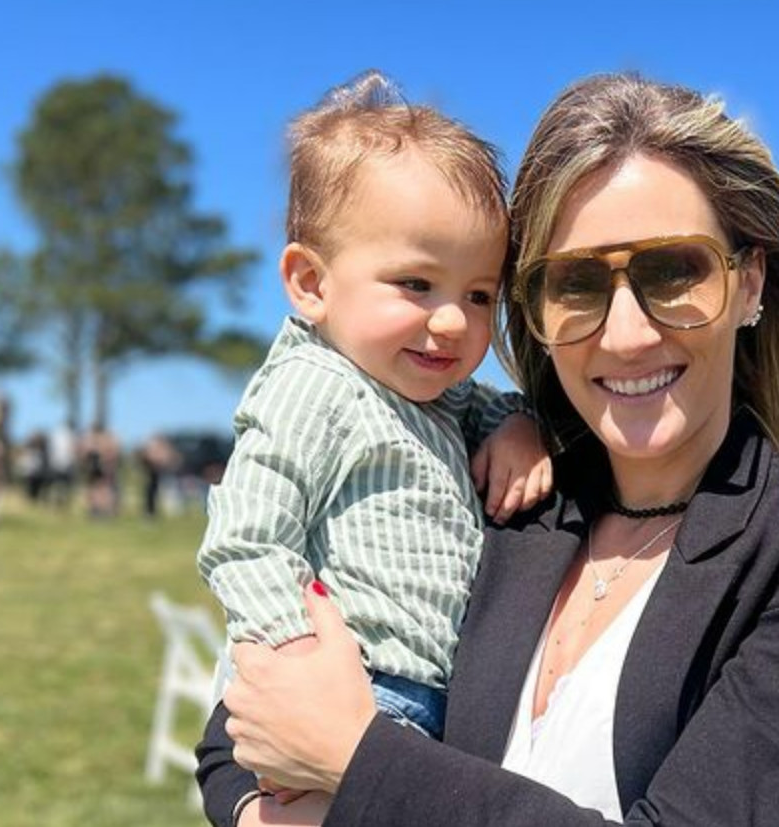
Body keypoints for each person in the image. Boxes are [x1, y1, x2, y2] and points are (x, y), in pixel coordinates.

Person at [198, 73, 779, 827]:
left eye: (674, 269)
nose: (626, 333)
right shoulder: (510, 496)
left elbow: (329, 734)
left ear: (748, 284)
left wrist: (356, 760)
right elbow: (244, 723)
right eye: (576, 282)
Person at [196, 71, 551, 747]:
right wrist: (298, 665)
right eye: (416, 283)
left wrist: (519, 427)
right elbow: (245, 537)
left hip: (427, 706)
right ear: (311, 282)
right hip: (352, 692)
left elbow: (494, 407)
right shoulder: (318, 385)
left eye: (480, 295)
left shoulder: (440, 395)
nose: (452, 321)